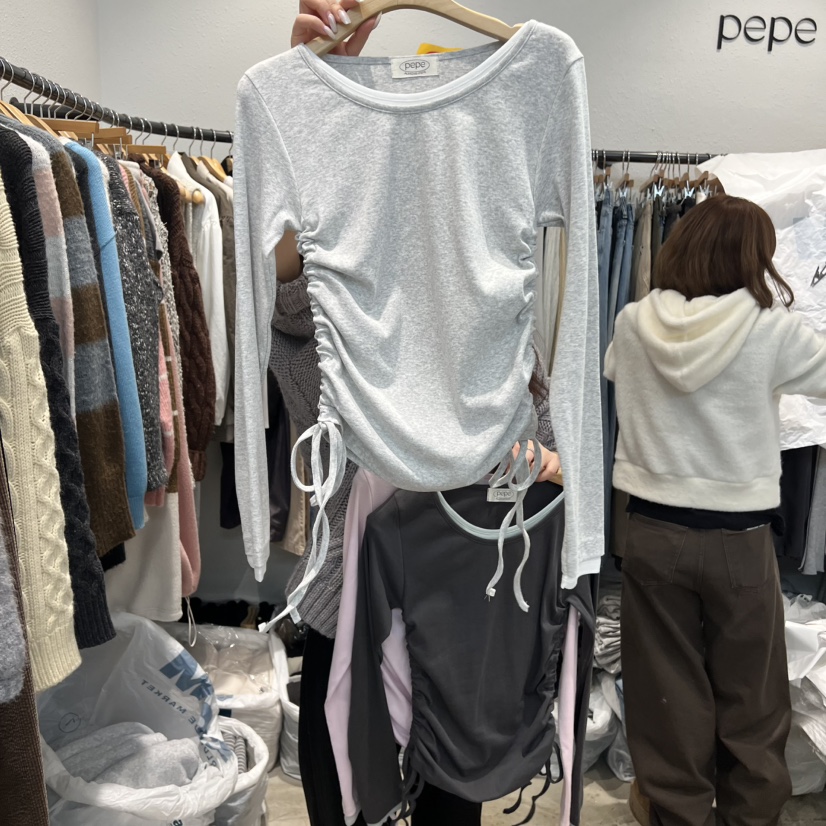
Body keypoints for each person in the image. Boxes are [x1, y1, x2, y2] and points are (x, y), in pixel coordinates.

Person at [273, 6, 562, 825]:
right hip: (344, 607)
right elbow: (289, 297)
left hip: (463, 622)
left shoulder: (500, 334)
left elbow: (545, 462)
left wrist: (542, 469)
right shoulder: (344, 316)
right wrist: (305, 99)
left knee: (448, 807)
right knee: (344, 802)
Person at [605, 194, 826, 826]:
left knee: (666, 694)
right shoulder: (770, 329)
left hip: (651, 531)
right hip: (738, 537)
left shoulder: (634, 323)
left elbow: (616, 373)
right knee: (752, 697)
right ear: (753, 257)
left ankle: (676, 814)